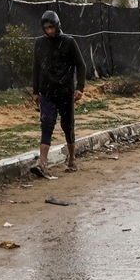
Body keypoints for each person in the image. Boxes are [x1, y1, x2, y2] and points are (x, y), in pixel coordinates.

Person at [31, 10, 86, 176]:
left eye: (51, 27)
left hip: (65, 92)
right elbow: (36, 68)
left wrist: (79, 88)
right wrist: (35, 91)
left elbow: (81, 65)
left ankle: (72, 159)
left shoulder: (69, 42)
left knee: (68, 126)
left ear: (57, 26)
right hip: (47, 93)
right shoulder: (40, 43)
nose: (49, 31)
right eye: (46, 28)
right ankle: (42, 164)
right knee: (46, 125)